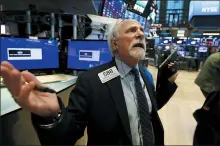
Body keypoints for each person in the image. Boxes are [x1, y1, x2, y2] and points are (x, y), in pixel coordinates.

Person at [0, 19, 178, 145]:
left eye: (141, 31)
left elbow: (146, 110)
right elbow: (67, 137)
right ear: (114, 44)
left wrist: (167, 84)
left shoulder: (145, 75)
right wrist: (53, 116)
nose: (140, 34)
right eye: (132, 30)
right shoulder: (92, 81)